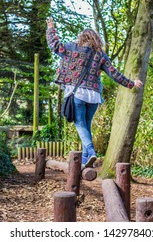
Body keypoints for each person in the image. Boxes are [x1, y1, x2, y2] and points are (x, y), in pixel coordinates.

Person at [46, 17, 142, 168]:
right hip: (94, 96)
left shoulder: (71, 48)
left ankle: (90, 151)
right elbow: (114, 74)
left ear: (81, 38)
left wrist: (51, 27)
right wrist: (131, 83)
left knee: (79, 123)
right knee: (87, 126)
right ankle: (85, 161)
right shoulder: (100, 55)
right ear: (96, 40)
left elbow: (54, 45)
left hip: (77, 94)